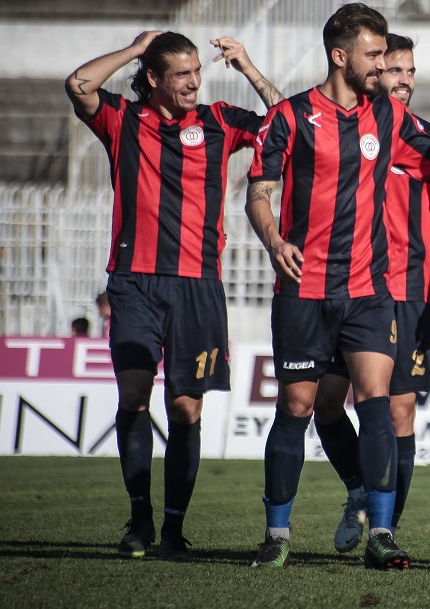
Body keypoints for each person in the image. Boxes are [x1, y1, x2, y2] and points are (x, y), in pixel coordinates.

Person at [244, 3, 430, 570]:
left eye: (387, 56)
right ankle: (277, 534)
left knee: (378, 402)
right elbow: (259, 192)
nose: (384, 67)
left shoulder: (387, 116)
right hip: (304, 286)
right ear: (341, 56)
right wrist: (273, 240)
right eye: (375, 55)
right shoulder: (288, 117)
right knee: (299, 404)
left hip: (369, 288)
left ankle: (382, 532)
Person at [64, 30, 272, 559]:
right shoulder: (124, 120)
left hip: (197, 286)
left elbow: (288, 120)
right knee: (133, 396)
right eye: (181, 74)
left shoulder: (221, 120)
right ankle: (139, 521)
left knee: (184, 409)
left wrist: (246, 65)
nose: (193, 82)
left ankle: (175, 529)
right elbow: (78, 83)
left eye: (197, 71)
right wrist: (135, 49)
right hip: (133, 282)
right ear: (153, 79)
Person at [309, 33, 430, 554]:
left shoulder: (428, 140)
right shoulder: (346, 128)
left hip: (406, 295)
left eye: (410, 71)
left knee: (399, 412)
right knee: (326, 403)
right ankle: (358, 490)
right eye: (394, 69)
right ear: (372, 73)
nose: (403, 80)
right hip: (341, 287)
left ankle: (385, 527)